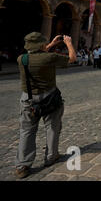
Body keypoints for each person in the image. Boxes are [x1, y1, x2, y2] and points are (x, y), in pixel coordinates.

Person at [15, 33, 76, 179]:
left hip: (28, 100)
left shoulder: (21, 59)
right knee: (53, 127)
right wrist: (68, 43)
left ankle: (23, 165)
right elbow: (72, 58)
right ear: (42, 45)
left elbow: (37, 55)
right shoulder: (50, 58)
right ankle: (51, 156)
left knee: (27, 131)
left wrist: (51, 45)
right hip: (49, 98)